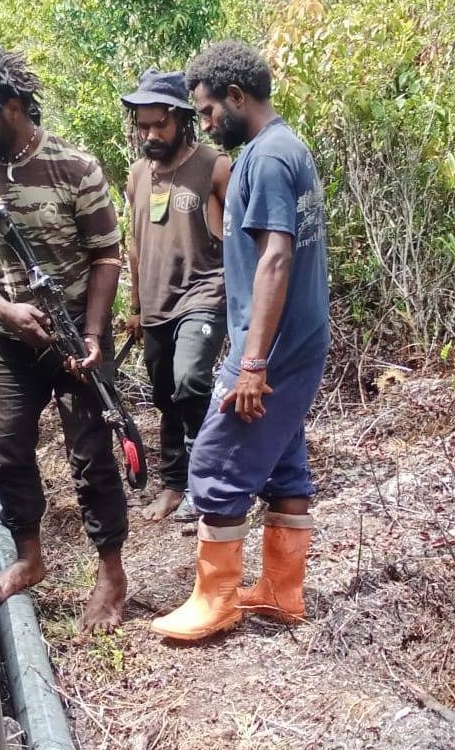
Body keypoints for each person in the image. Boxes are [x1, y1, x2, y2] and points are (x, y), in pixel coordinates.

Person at [0, 44, 130, 632]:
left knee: (93, 458)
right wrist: (5, 309)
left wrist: (95, 334)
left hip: (78, 344)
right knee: (7, 453)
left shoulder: (75, 168)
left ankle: (111, 572)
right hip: (11, 340)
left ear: (14, 108)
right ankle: (30, 557)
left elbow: (106, 256)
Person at [151, 41, 330, 641]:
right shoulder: (286, 147)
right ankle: (282, 591)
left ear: (235, 97)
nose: (203, 124)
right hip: (290, 338)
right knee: (283, 460)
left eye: (204, 112)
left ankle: (216, 600)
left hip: (273, 347)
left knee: (214, 462)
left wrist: (251, 362)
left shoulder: (268, 158)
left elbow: (276, 259)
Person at [122, 68, 231, 523]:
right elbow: (134, 239)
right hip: (155, 301)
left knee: (190, 380)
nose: (150, 134)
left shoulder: (214, 166)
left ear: (181, 118)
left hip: (204, 292)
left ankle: (208, 478)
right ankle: (174, 483)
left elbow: (239, 236)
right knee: (166, 394)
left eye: (159, 124)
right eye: (143, 126)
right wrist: (134, 305)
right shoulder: (136, 176)